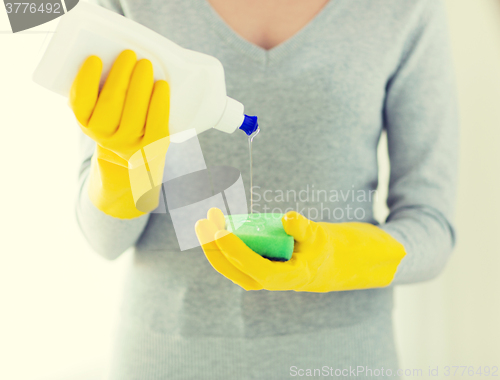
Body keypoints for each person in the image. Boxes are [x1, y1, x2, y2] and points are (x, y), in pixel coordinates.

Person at [73, 0, 458, 378]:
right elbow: (107, 241)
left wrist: (336, 258)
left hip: (343, 359)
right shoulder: (132, 5)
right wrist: (122, 165)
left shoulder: (406, 8)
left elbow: (431, 227)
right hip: (167, 359)